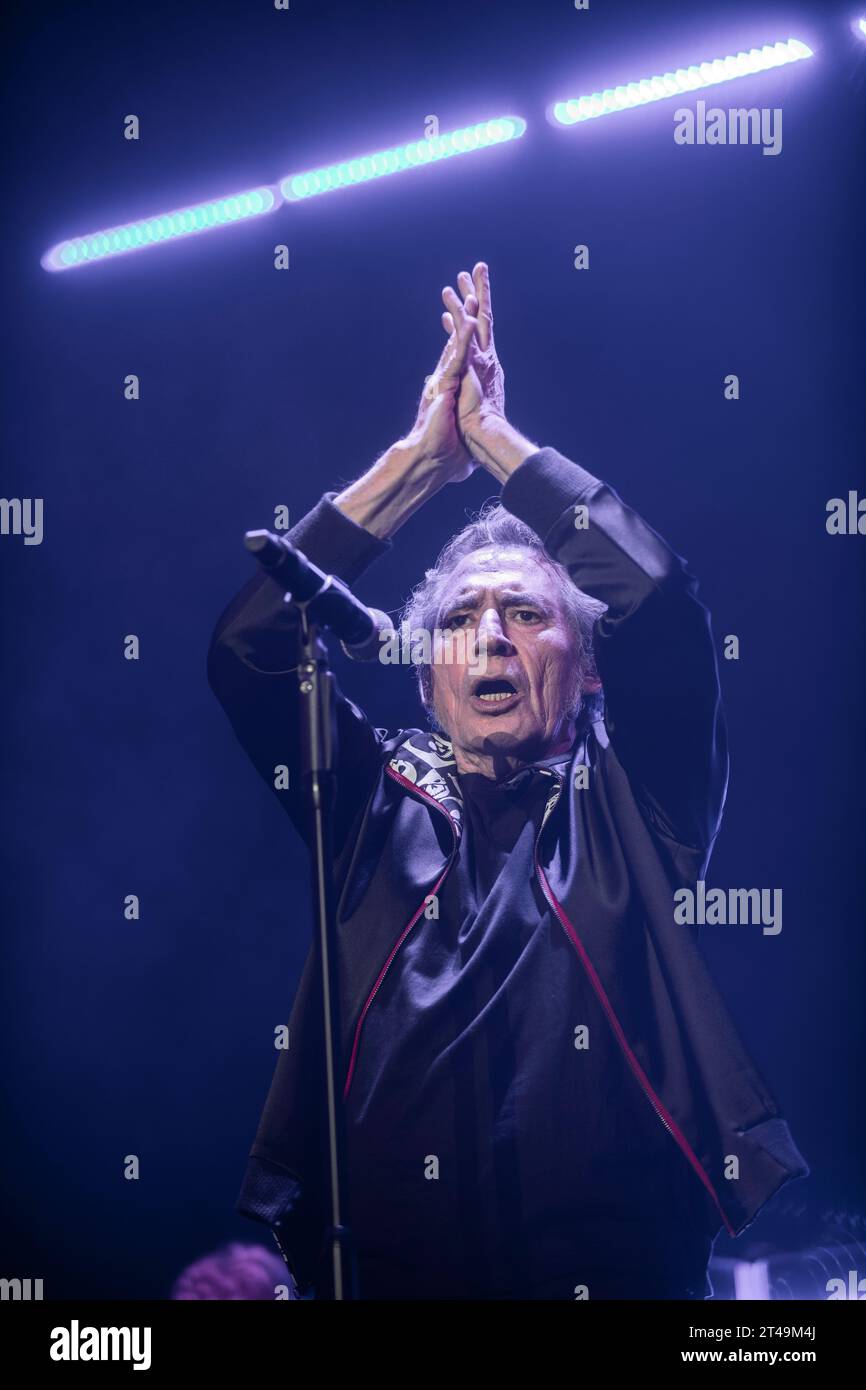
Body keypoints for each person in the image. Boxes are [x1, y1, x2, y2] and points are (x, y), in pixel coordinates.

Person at [207, 264, 808, 1300]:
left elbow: (658, 598)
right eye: (457, 619)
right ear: (427, 672)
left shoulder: (635, 804)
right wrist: (414, 466)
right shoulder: (366, 801)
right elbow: (247, 648)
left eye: (527, 614)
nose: (489, 635)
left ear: (585, 662)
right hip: (388, 1272)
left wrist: (496, 448)